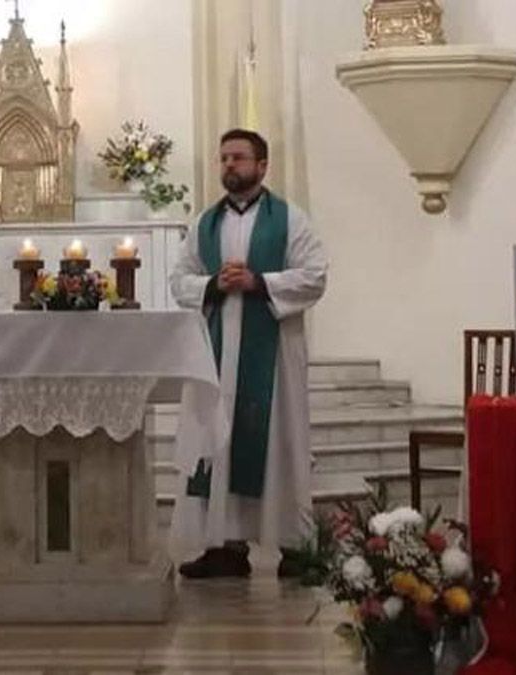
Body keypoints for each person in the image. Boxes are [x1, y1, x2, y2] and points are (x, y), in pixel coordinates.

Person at [169, 129, 329, 578]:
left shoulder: (290, 219)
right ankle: (224, 545)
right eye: (223, 158)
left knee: (281, 440)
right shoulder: (206, 223)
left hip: (272, 355)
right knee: (219, 441)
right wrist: (212, 285)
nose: (229, 166)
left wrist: (260, 282)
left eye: (238, 158)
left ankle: (294, 546)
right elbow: (180, 280)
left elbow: (315, 275)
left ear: (262, 166)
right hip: (219, 352)